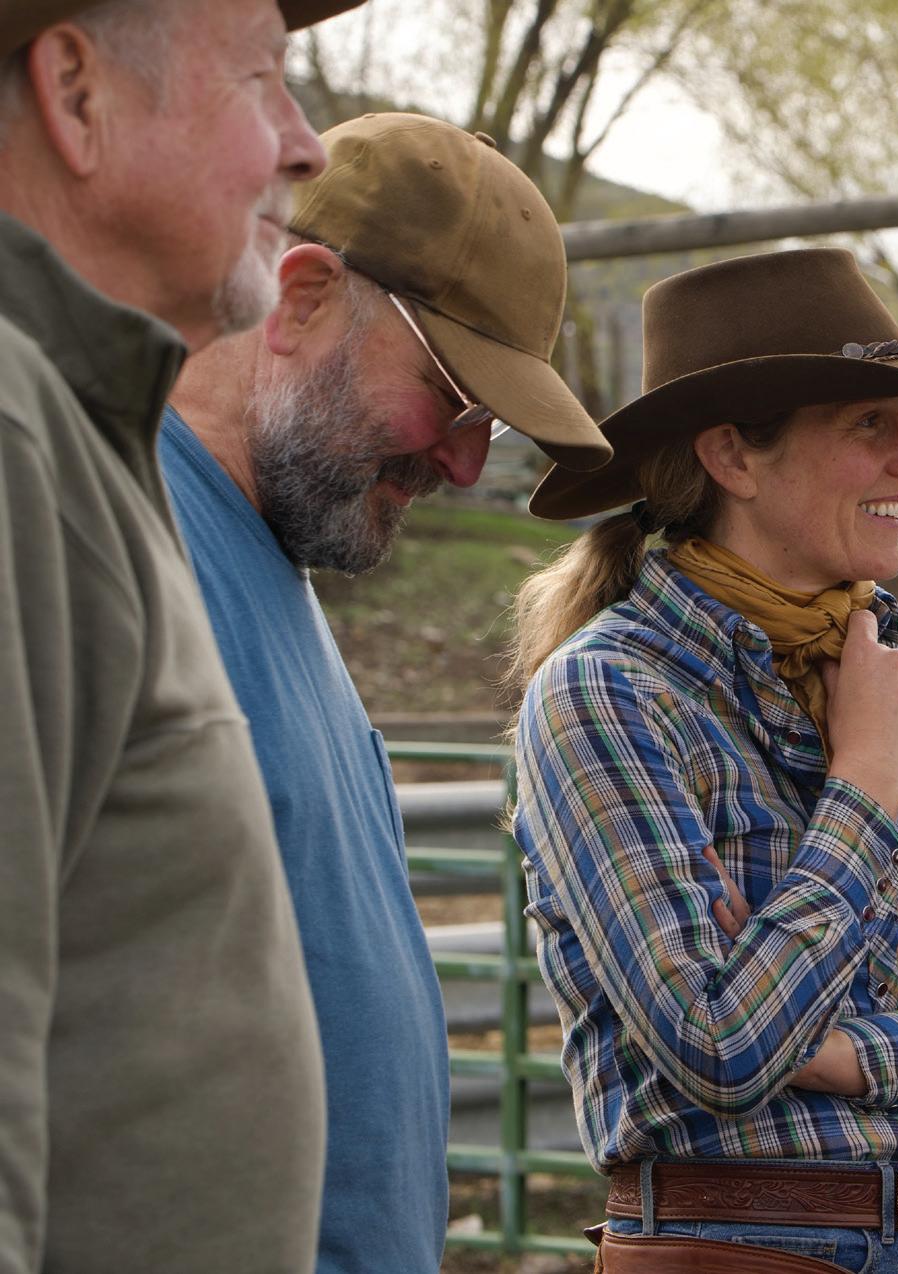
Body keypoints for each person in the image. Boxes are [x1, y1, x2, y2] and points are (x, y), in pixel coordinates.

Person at [508, 246, 898, 1274]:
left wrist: (839, 1051)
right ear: (732, 457)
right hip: (743, 1251)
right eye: (870, 424)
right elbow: (722, 1048)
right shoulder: (607, 695)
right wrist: (864, 782)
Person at [158, 112, 611, 1274]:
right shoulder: (124, 557)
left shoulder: (274, 570)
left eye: (486, 423)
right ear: (301, 296)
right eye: (450, 394)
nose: (464, 462)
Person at [0, 0, 362, 1269]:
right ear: (76, 93)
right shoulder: (16, 438)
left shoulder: (76, 430)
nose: (305, 143)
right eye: (263, 77)